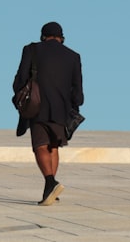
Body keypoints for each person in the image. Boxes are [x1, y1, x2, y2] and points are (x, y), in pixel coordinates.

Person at [12, 21, 84, 206]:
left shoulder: (31, 50)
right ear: (61, 37)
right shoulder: (73, 56)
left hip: (39, 105)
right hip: (62, 109)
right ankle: (50, 189)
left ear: (43, 36)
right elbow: (78, 91)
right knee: (53, 147)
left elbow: (20, 78)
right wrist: (75, 105)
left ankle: (50, 182)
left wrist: (20, 94)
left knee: (40, 146)